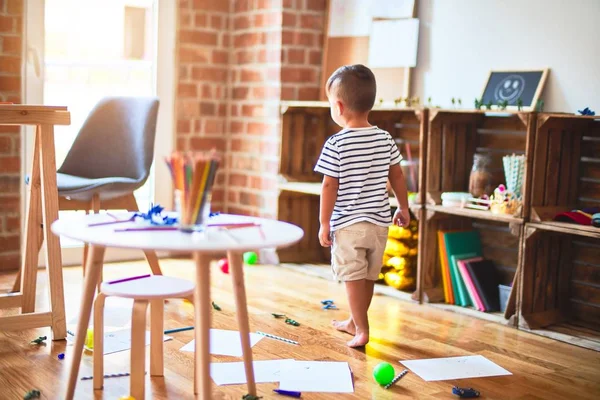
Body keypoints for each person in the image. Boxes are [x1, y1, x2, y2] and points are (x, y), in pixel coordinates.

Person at [314, 64, 411, 348]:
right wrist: (403, 208)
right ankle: (355, 322)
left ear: (339, 106)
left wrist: (324, 222)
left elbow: (329, 186)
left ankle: (363, 329)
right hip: (379, 223)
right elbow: (397, 176)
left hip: (348, 224)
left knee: (351, 276)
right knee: (367, 275)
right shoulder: (384, 138)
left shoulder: (336, 143)